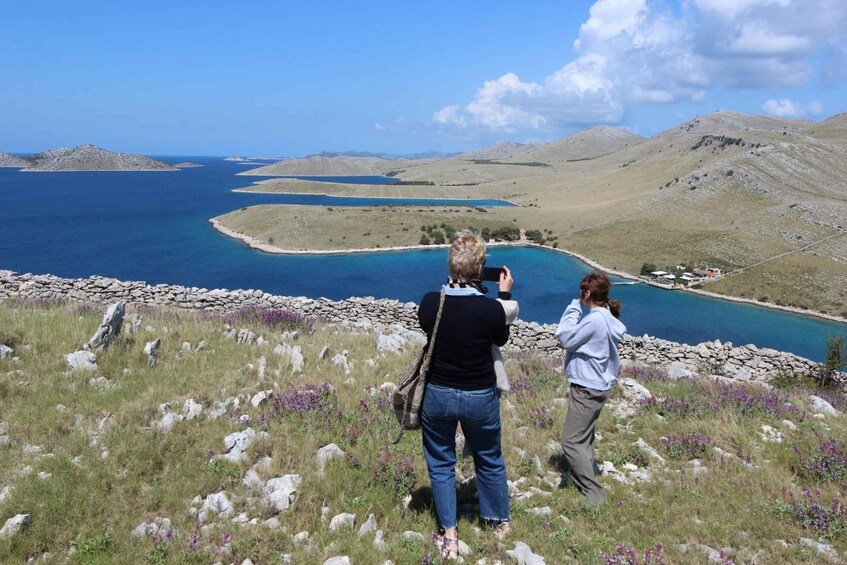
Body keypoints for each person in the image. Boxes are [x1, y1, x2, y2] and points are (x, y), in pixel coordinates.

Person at [418, 231, 514, 559]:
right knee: (489, 457)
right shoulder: (491, 311)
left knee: (441, 462)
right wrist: (503, 295)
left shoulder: (431, 303)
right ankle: (499, 522)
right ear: (479, 270)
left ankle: (449, 534)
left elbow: (431, 330)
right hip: (480, 396)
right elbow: (500, 338)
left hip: (438, 395)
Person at [554, 271, 626, 505]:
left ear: (586, 293)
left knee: (571, 441)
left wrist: (575, 307)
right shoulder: (606, 316)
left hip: (586, 386)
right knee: (584, 438)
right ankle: (582, 480)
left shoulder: (594, 319)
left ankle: (594, 494)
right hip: (598, 385)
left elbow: (565, 338)